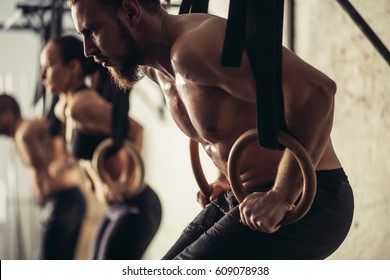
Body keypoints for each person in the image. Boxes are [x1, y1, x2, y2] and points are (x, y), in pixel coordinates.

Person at [68, 0, 354, 259]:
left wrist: (281, 195)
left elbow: (318, 92)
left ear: (131, 11)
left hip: (311, 198)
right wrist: (223, 177)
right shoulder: (158, 69)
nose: (87, 50)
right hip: (245, 196)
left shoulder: (194, 48)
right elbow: (228, 123)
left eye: (92, 30)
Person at [40, 35, 162, 260]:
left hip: (135, 205)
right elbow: (88, 148)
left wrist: (126, 182)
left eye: (48, 66)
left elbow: (135, 130)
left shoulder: (81, 105)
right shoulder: (63, 108)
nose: (42, 76)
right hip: (113, 206)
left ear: (73, 68)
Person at [0, 93, 87, 260]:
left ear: (8, 115)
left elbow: (62, 127)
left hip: (64, 202)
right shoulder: (17, 136)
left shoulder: (27, 130)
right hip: (57, 204)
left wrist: (66, 160)